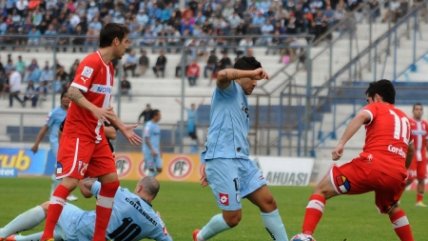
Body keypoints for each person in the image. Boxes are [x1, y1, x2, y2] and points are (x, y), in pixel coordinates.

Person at [40, 23, 142, 241]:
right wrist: (95, 109)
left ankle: (98, 238)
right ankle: (46, 236)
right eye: (126, 41)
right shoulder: (91, 61)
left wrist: (122, 126)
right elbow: (73, 92)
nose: (127, 46)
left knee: (112, 182)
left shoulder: (110, 68)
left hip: (96, 134)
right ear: (115, 41)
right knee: (70, 183)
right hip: (79, 133)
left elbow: (105, 108)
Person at [291, 80, 415, 241]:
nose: (367, 103)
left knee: (321, 189)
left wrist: (341, 143)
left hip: (371, 166)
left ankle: (306, 235)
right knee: (392, 207)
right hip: (396, 174)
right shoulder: (405, 119)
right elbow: (410, 150)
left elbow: (362, 115)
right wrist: (402, 170)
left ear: (376, 97)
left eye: (368, 100)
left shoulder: (376, 107)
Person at [193, 57, 288, 241]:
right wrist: (208, 159)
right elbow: (222, 74)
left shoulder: (242, 98)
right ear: (243, 74)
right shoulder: (228, 89)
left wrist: (205, 158)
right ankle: (200, 237)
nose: (255, 83)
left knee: (268, 202)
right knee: (233, 218)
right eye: (253, 79)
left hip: (242, 160)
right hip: (223, 160)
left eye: (256, 80)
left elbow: (216, 126)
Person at [0, 177, 172, 241]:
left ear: (139, 188)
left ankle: (2, 233)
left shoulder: (123, 195)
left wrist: (85, 179)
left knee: (51, 206)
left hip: (80, 227)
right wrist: (160, 221)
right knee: (60, 233)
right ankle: (17, 240)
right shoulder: (155, 223)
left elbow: (90, 186)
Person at [31, 91, 79, 201]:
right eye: (64, 97)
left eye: (68, 97)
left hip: (69, 142)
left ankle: (64, 191)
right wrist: (36, 143)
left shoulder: (74, 112)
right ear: (60, 99)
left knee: (66, 166)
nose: (66, 99)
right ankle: (55, 191)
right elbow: (45, 128)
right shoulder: (54, 113)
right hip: (56, 142)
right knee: (60, 164)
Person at [406, 102, 428, 207]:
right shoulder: (409, 123)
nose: (418, 111)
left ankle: (419, 201)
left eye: (420, 109)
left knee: (422, 178)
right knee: (410, 178)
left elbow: (427, 141)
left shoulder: (425, 124)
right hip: (412, 155)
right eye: (416, 109)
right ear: (413, 111)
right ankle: (396, 198)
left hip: (422, 155)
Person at [143, 109, 162, 176]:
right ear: (155, 116)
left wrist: (160, 151)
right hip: (149, 151)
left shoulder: (157, 126)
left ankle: (148, 179)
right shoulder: (148, 125)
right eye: (159, 115)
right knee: (151, 169)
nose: (160, 117)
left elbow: (157, 139)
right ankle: (148, 182)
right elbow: (146, 138)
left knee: (159, 168)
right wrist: (152, 149)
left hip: (156, 151)